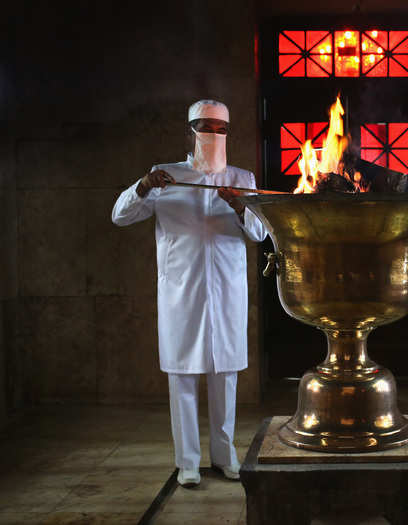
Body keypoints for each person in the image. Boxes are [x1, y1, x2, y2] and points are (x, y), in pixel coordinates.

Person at [111, 100, 267, 488]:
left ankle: (225, 456)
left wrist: (238, 204)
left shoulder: (242, 179)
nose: (212, 135)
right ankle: (188, 463)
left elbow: (261, 234)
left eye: (220, 128)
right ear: (189, 131)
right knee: (182, 377)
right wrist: (143, 187)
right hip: (181, 292)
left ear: (229, 133)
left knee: (225, 375)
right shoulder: (166, 177)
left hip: (226, 291)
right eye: (204, 127)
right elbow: (121, 215)